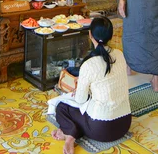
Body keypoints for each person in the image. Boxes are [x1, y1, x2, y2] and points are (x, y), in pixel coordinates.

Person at [52, 17, 132, 154]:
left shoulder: (89, 64)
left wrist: (79, 91)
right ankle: (72, 134)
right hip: (124, 124)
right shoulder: (120, 54)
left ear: (90, 35)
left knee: (62, 107)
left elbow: (80, 100)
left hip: (100, 130)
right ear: (111, 36)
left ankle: (70, 135)